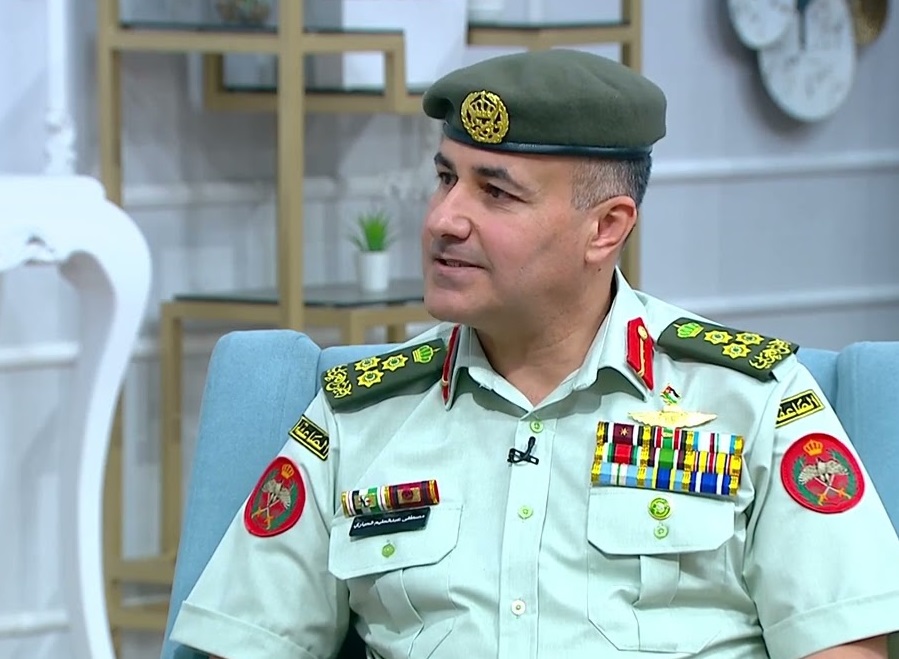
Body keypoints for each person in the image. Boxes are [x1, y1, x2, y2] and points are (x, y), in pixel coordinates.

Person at [169, 49, 899, 659]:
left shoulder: (753, 398)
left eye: (496, 193)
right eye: (446, 178)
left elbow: (842, 643)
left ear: (605, 229)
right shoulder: (359, 414)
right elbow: (248, 639)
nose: (444, 219)